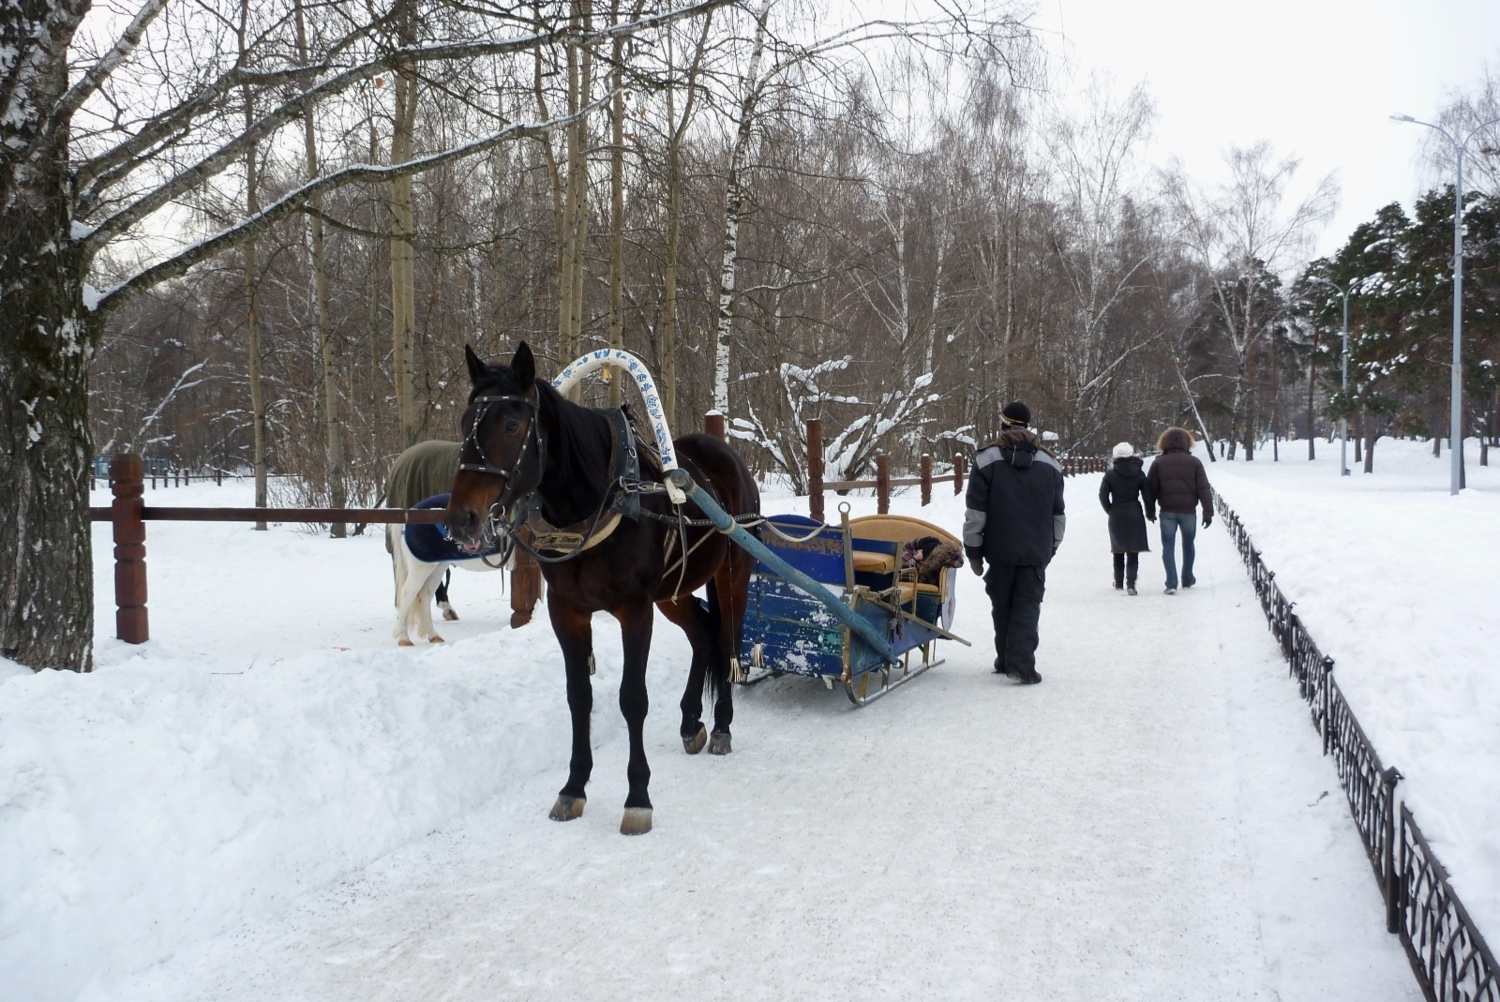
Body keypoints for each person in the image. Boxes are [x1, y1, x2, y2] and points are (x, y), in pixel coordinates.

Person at [964, 401, 1066, 685]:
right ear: (1028, 425)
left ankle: (1007, 659)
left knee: (1002, 604)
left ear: (1003, 423)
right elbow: (1058, 513)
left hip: (999, 549)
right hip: (1035, 550)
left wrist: (973, 550)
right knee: (1027, 604)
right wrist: (1052, 547)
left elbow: (976, 512)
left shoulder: (986, 460)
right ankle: (1020, 662)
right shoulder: (1051, 463)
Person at [1145, 427, 1213, 594]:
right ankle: (1187, 578)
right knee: (1188, 544)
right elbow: (1203, 488)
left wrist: (1150, 511)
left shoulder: (1158, 463)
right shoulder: (1195, 463)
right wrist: (1207, 512)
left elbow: (1150, 490)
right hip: (1188, 511)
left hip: (1167, 511)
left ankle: (1171, 582)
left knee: (1168, 546)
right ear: (1187, 443)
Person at [1098, 442, 1150, 595]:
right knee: (1133, 549)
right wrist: (1150, 513)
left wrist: (1110, 510)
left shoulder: (1110, 475)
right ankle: (1131, 584)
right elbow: (1147, 496)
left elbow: (1102, 496)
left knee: (1118, 548)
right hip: (1134, 511)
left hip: (1117, 513)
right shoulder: (1139, 473)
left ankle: (1118, 582)